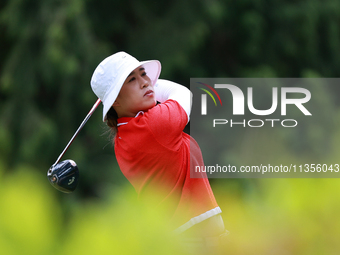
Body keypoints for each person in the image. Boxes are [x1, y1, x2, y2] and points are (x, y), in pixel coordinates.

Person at [90, 51, 228, 253]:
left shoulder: (123, 137)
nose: (145, 82)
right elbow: (183, 94)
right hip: (195, 244)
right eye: (131, 79)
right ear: (116, 101)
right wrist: (151, 85)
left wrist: (130, 88)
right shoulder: (153, 126)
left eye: (143, 73)